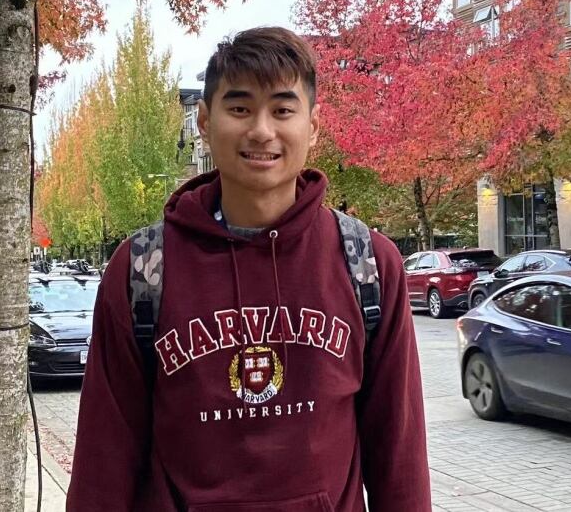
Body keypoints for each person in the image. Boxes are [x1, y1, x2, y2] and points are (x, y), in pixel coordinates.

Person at [66, 27, 431, 511]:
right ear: (204, 120)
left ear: (313, 126)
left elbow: (399, 453)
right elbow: (103, 459)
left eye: (282, 109)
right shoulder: (141, 271)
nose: (261, 130)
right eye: (239, 108)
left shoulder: (368, 264)